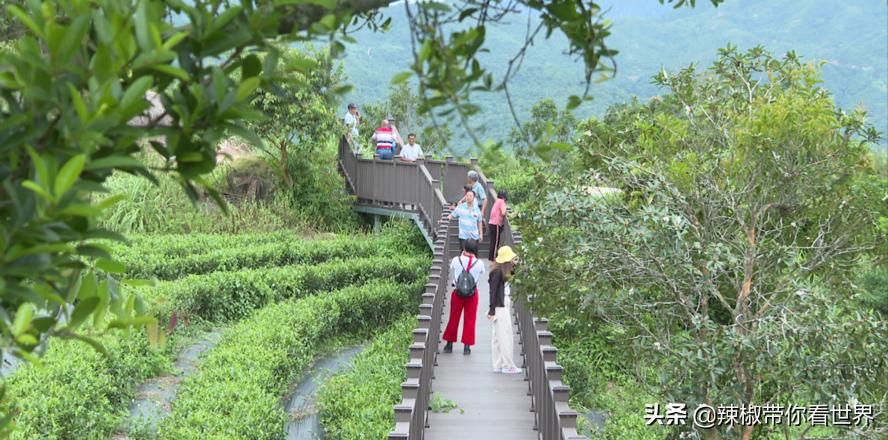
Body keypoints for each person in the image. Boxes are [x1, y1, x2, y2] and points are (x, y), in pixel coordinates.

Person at [443, 239, 486, 355]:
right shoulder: (479, 263)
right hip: (472, 295)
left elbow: (452, 268)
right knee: (470, 320)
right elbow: (482, 272)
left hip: (457, 293)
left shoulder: (456, 260)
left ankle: (449, 344)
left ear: (464, 248)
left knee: (453, 318)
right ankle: (467, 346)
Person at [487, 245, 522, 374]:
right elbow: (493, 292)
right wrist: (491, 310)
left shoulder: (500, 271)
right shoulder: (497, 273)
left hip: (499, 305)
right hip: (499, 306)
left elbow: (511, 275)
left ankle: (498, 364)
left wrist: (515, 266)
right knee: (505, 336)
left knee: (497, 336)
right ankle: (508, 365)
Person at [449, 188, 483, 252]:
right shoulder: (460, 207)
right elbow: (452, 215)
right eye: (467, 195)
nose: (468, 197)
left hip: (474, 235)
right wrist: (443, 220)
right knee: (463, 253)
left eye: (470, 196)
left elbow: (479, 221)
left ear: (474, 198)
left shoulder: (477, 209)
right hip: (463, 235)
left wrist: (481, 234)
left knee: (474, 254)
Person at [487, 189, 508, 262]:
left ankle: (491, 257)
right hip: (496, 224)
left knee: (493, 241)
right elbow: (503, 212)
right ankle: (493, 258)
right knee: (496, 242)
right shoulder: (502, 202)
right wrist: (506, 212)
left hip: (491, 223)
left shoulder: (497, 201)